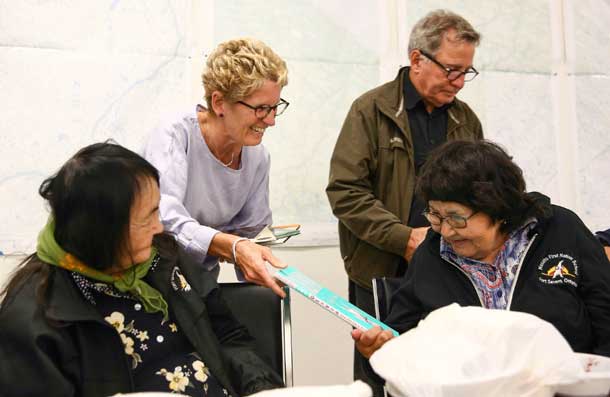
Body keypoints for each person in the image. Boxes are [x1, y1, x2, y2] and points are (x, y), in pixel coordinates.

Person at [0, 142, 283, 397]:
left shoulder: (164, 256)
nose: (159, 227)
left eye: (157, 211)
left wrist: (260, 390)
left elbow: (229, 337)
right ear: (103, 232)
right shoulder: (36, 319)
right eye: (146, 218)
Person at [326, 9, 483, 394]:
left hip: (450, 271)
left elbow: (483, 195)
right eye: (452, 70)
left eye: (467, 72)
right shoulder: (370, 110)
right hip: (380, 270)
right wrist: (403, 238)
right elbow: (345, 191)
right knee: (379, 374)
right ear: (417, 59)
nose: (460, 82)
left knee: (443, 373)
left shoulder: (466, 121)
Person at [353, 140, 610, 362]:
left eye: (456, 218)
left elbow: (604, 309)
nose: (444, 231)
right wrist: (380, 350)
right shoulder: (431, 254)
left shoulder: (560, 229)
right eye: (434, 215)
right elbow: (399, 338)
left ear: (497, 208)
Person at [143, 38, 289, 297]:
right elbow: (164, 222)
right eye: (261, 109)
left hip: (200, 286)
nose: (271, 120)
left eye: (275, 107)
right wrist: (232, 246)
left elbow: (251, 235)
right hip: (149, 283)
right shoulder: (173, 135)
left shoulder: (257, 157)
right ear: (220, 102)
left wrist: (264, 282)